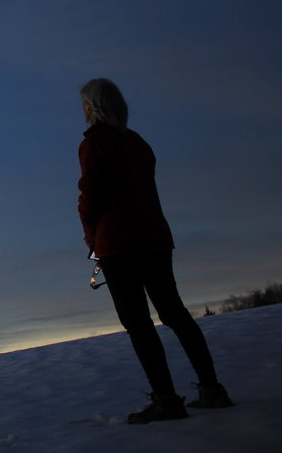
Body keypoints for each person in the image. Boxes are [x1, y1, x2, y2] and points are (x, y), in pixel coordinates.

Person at [76, 78, 233, 424]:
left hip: (118, 245)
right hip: (156, 240)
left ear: (94, 107)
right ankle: (212, 389)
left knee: (138, 324)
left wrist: (93, 239)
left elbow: (91, 198)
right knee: (175, 313)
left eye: (85, 104)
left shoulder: (94, 145)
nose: (82, 110)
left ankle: (166, 400)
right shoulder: (138, 143)